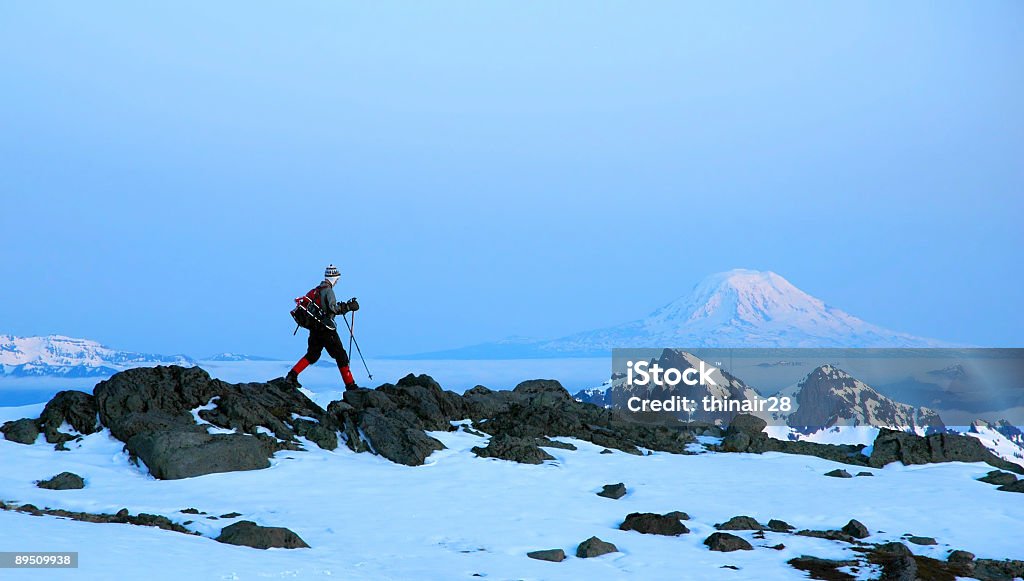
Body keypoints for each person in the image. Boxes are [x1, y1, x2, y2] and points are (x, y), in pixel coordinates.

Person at [286, 264, 360, 389]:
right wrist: (348, 307)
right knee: (341, 355)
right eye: (337, 278)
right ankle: (350, 385)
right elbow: (333, 309)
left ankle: (292, 375)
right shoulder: (328, 290)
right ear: (333, 278)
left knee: (312, 354)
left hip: (315, 328)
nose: (337, 281)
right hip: (326, 329)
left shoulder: (317, 289)